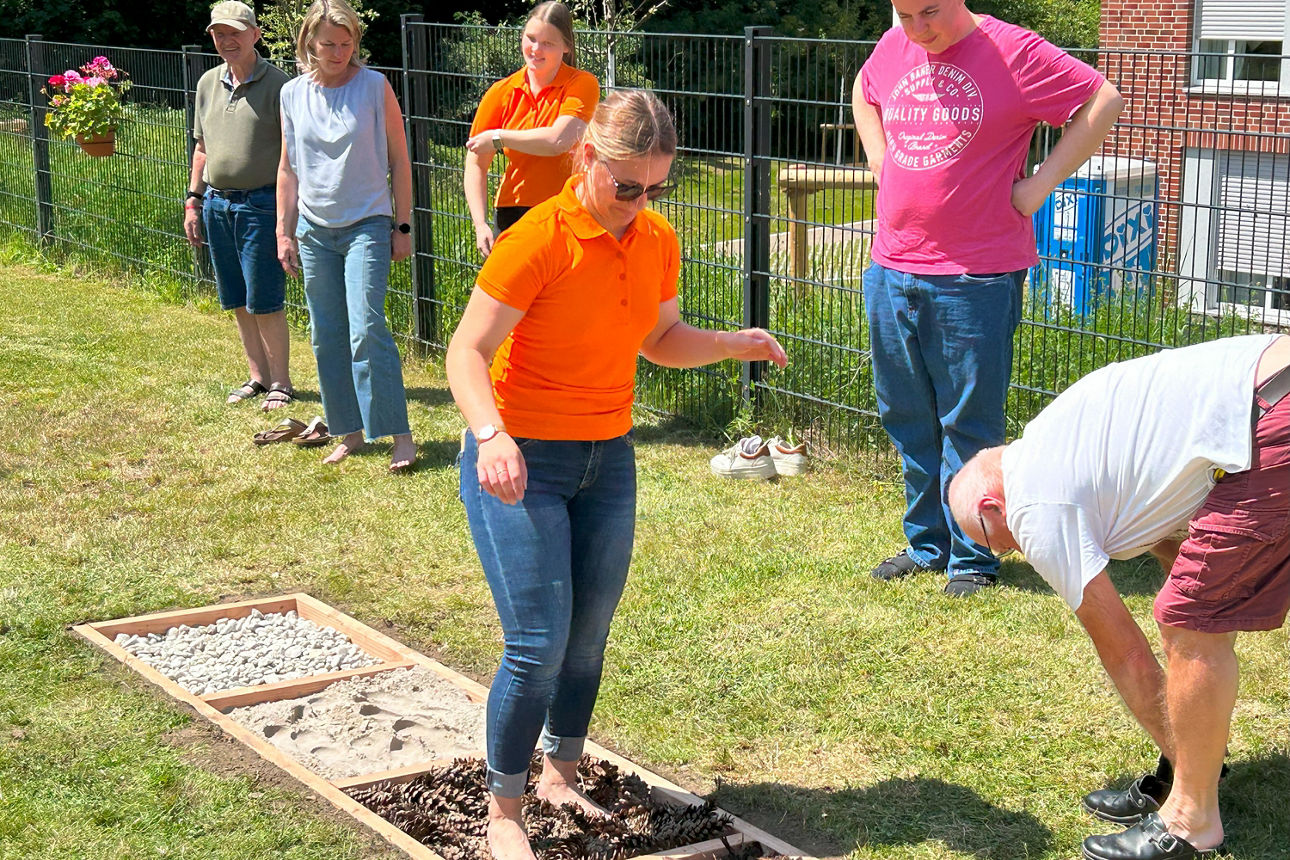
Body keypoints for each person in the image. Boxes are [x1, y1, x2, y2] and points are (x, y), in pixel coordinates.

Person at [446, 89, 787, 860]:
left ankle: (561, 773)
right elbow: (465, 352)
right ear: (586, 159)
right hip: (519, 458)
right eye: (627, 184)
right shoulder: (537, 237)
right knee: (538, 640)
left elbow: (660, 337)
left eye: (656, 188)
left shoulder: (654, 237)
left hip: (608, 457)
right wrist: (490, 433)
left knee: (588, 637)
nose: (639, 203)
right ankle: (505, 810)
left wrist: (735, 343)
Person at [949, 334, 1290, 860]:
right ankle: (1189, 769)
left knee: (1187, 620)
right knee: (1190, 604)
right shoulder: (1052, 443)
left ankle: (1190, 816)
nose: (1011, 551)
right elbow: (1166, 530)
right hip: (1270, 386)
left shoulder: (1034, 506)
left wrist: (1188, 758)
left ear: (993, 506)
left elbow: (1126, 652)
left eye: (993, 543)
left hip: (1271, 414)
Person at [851, 0, 1124, 596]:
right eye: (904, 14)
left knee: (969, 426)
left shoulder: (1014, 51)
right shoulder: (896, 45)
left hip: (976, 276)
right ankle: (927, 544)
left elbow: (1104, 100)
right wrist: (878, 158)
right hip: (891, 266)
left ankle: (974, 557)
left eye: (930, 13)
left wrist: (1039, 186)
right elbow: (863, 88)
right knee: (907, 415)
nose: (918, 29)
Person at [275, 0, 416, 472]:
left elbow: (400, 160)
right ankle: (348, 432)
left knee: (367, 327)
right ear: (310, 43)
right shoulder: (291, 94)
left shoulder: (375, 87)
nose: (338, 52)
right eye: (329, 44)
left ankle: (399, 435)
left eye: (347, 43)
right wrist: (285, 230)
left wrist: (403, 225)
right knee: (326, 334)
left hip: (368, 225)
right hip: (314, 230)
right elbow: (287, 168)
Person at [185, 1, 294, 412]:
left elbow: (291, 156)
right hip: (215, 203)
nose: (227, 41)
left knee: (264, 298)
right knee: (236, 296)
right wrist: (193, 201)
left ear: (255, 34)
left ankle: (281, 382)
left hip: (261, 205)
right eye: (219, 34)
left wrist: (287, 217)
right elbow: (202, 148)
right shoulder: (208, 83)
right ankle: (258, 377)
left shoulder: (280, 86)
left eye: (235, 32)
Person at [463, 1, 599, 259]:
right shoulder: (501, 92)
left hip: (569, 209)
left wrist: (499, 137)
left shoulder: (583, 84)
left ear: (567, 47)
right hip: (513, 212)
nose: (536, 49)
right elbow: (476, 162)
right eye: (531, 38)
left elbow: (558, 140)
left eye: (548, 43)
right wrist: (480, 224)